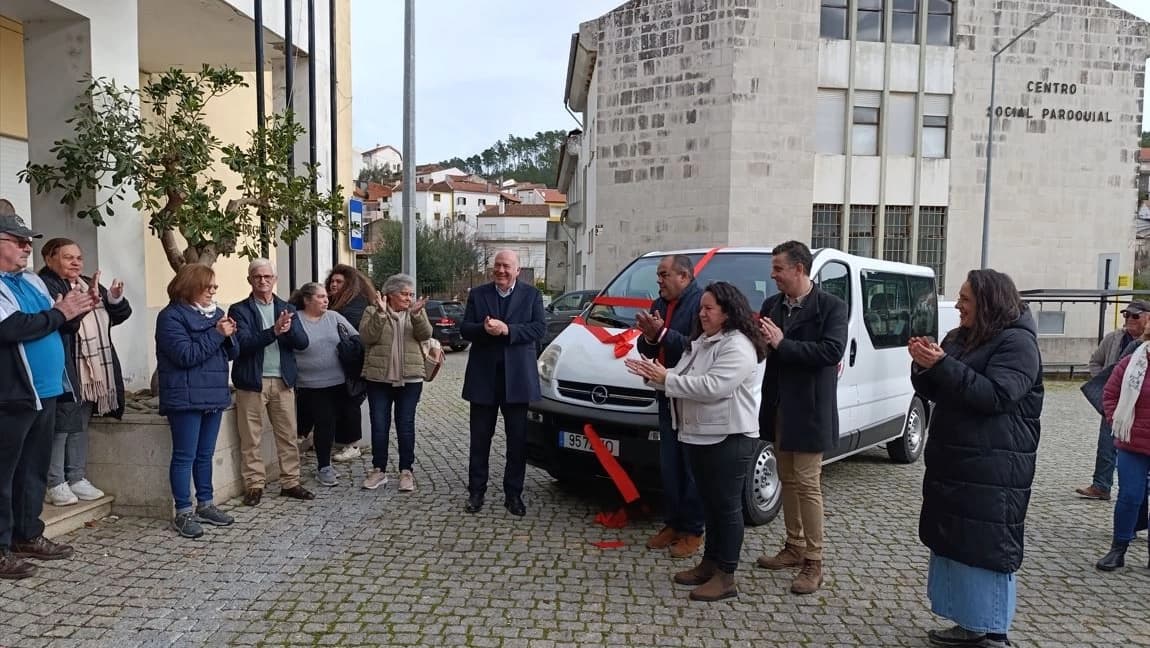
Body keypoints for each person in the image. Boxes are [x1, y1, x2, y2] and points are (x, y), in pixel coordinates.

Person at [909, 269, 1043, 648]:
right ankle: (970, 624)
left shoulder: (1018, 343)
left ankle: (993, 632)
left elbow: (998, 395)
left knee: (987, 547)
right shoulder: (960, 337)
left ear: (987, 302)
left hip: (995, 466)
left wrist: (943, 365)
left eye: (966, 298)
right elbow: (936, 386)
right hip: (957, 460)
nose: (960, 304)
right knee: (957, 543)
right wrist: (923, 364)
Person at [626, 282, 766, 601]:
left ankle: (726, 576)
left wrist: (668, 379)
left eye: (708, 308)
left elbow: (713, 386)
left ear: (727, 311)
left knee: (726, 509)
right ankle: (710, 565)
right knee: (711, 507)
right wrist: (654, 375)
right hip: (700, 435)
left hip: (730, 438)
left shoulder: (738, 344)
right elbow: (684, 377)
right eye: (701, 307)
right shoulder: (703, 341)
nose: (701, 313)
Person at [0, 213, 94, 578]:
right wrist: (59, 312)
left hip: (46, 391)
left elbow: (54, 322)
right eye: (18, 241)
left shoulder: (30, 281)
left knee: (33, 470)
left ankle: (27, 534)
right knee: (3, 476)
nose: (27, 247)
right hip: (12, 394)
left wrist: (75, 312)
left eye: (28, 241)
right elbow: (11, 328)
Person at [755, 240, 848, 596]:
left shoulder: (831, 307)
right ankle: (793, 546)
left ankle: (814, 561)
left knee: (808, 483)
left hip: (810, 411)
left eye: (778, 268)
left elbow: (831, 351)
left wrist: (781, 344)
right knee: (787, 479)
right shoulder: (771, 305)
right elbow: (767, 350)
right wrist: (758, 343)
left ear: (799, 268)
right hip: (779, 407)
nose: (773, 275)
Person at [38, 238, 131, 506]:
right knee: (61, 427)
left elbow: (118, 315)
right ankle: (55, 482)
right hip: (68, 365)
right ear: (49, 259)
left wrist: (113, 298)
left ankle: (77, 477)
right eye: (69, 258)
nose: (77, 262)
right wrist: (80, 306)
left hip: (94, 370)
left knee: (80, 424)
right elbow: (59, 324)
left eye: (79, 257)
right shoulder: (45, 285)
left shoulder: (86, 282)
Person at [155, 264, 240, 539]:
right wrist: (216, 333)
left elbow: (228, 353)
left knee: (205, 454)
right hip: (185, 397)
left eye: (215, 287)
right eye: (209, 286)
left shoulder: (215, 314)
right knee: (184, 456)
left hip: (213, 393)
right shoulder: (170, 317)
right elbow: (186, 355)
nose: (213, 291)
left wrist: (229, 336)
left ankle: (206, 504)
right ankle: (182, 511)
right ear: (191, 286)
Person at [461, 250, 546, 516]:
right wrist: (483, 330)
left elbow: (539, 329)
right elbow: (465, 329)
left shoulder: (532, 296)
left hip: (518, 379)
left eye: (506, 266)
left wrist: (508, 330)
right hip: (484, 378)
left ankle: (514, 494)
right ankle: (476, 492)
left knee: (517, 441)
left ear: (518, 270)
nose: (500, 270)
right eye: (497, 265)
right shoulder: (478, 294)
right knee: (480, 439)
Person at [634, 254, 706, 558]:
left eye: (664, 275)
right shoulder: (659, 304)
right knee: (670, 464)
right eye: (658, 275)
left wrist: (662, 333)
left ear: (684, 276)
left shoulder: (703, 304)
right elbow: (645, 345)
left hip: (691, 396)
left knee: (691, 467)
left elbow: (696, 348)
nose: (659, 281)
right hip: (665, 394)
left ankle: (693, 529)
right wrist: (651, 337)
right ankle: (673, 523)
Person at [228, 259, 314, 506]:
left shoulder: (286, 307)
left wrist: (289, 330)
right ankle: (254, 485)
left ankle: (291, 482)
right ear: (250, 280)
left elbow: (302, 343)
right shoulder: (239, 310)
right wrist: (273, 332)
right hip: (252, 382)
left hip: (282, 381)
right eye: (257, 277)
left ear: (275, 280)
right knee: (250, 438)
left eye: (267, 277)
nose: (263, 281)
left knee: (287, 435)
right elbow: (243, 344)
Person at [359, 273, 432, 492]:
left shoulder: (416, 312)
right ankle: (378, 470)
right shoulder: (372, 311)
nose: (409, 298)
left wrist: (418, 315)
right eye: (404, 294)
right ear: (390, 295)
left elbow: (426, 334)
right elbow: (367, 337)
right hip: (378, 379)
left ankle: (406, 471)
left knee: (405, 425)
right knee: (379, 425)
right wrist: (381, 315)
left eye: (411, 294)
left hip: (410, 378)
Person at [1076, 301, 1149, 500]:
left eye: (1135, 316)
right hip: (1117, 402)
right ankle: (1101, 485)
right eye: (1126, 315)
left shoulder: (1143, 345)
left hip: (1142, 406)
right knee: (1106, 443)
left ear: (1147, 318)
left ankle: (1138, 492)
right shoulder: (1114, 339)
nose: (1129, 320)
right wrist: (1103, 383)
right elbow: (1095, 361)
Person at [289, 282, 360, 487]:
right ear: (307, 300)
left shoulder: (334, 317)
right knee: (315, 424)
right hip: (307, 384)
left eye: (326, 296)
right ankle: (316, 466)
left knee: (327, 424)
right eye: (320, 297)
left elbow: (356, 338)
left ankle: (324, 464)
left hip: (336, 383)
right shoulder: (296, 319)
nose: (326, 299)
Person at [1096, 328, 1150, 572]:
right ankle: (1118, 549)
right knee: (1130, 496)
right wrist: (1115, 421)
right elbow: (1109, 394)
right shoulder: (1131, 363)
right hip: (1132, 442)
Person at [323, 264, 376, 462]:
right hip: (344, 363)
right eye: (332, 281)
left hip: (352, 364)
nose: (333, 285)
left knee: (350, 403)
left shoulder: (354, 306)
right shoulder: (342, 303)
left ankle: (352, 444)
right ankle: (345, 441)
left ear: (349, 285)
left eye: (339, 282)